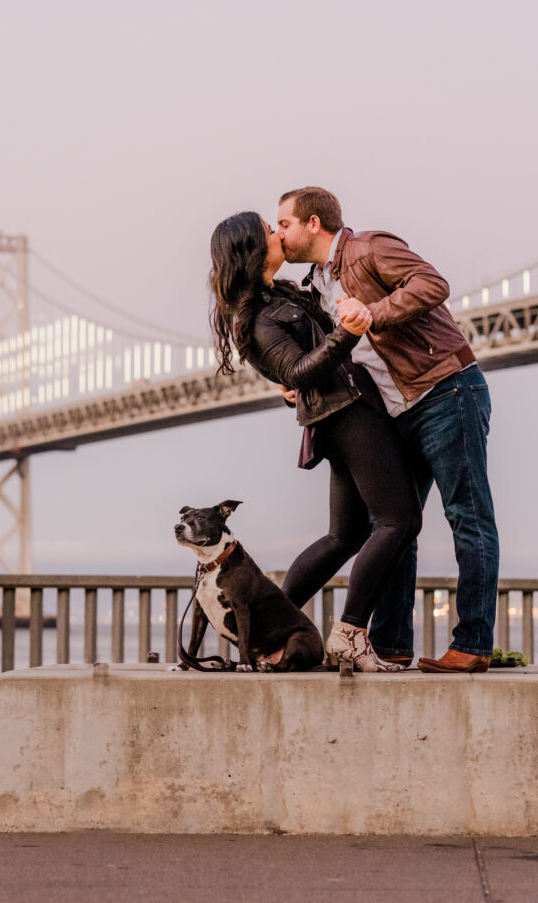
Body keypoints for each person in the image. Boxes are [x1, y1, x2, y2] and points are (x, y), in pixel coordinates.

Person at [275, 186, 499, 673]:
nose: (280, 234)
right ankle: (391, 641)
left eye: (285, 224)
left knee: (468, 517)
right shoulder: (316, 285)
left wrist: (373, 313)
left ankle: (474, 644)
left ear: (314, 223)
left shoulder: (368, 248)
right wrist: (295, 386)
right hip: (397, 411)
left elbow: (431, 283)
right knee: (395, 525)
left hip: (446, 391)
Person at [209, 211, 422, 672]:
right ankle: (349, 634)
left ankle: (272, 629)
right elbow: (298, 371)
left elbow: (295, 372)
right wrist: (349, 332)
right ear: (250, 249)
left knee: (344, 536)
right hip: (349, 413)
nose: (278, 233)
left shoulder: (278, 295)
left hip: (337, 414)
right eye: (269, 230)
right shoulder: (258, 315)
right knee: (400, 520)